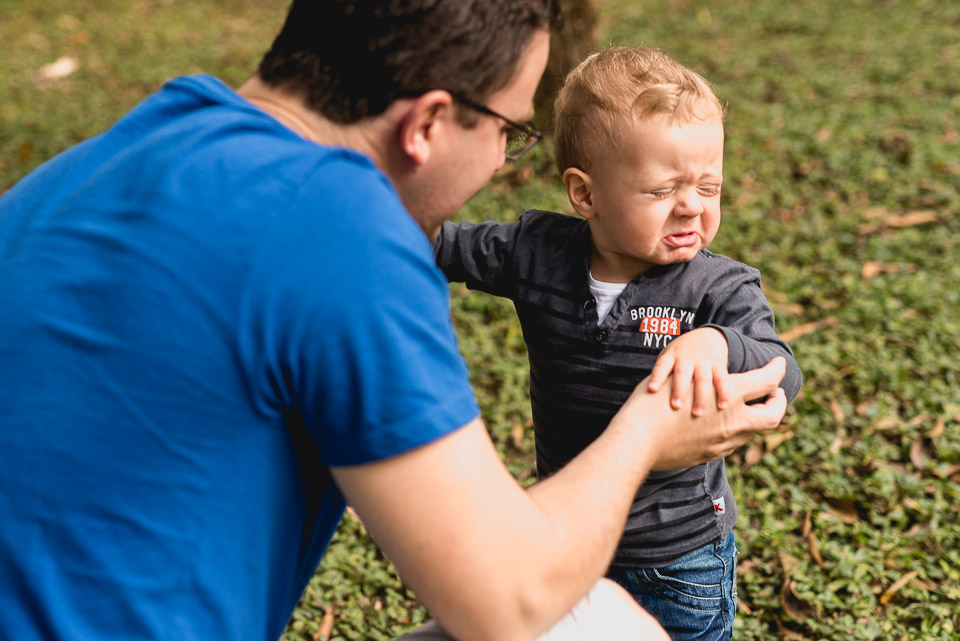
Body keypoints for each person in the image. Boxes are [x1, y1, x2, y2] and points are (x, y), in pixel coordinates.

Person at [0, 3, 788, 640]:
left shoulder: (80, 169)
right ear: (428, 124)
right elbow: (508, 601)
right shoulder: (339, 231)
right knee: (607, 627)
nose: (501, 162)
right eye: (509, 133)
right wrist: (648, 430)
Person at [432, 46, 803, 640]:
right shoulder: (538, 252)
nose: (692, 206)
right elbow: (443, 245)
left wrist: (719, 343)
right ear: (585, 194)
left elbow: (781, 366)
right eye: (662, 190)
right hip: (571, 536)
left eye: (709, 186)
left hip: (679, 557)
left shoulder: (718, 288)